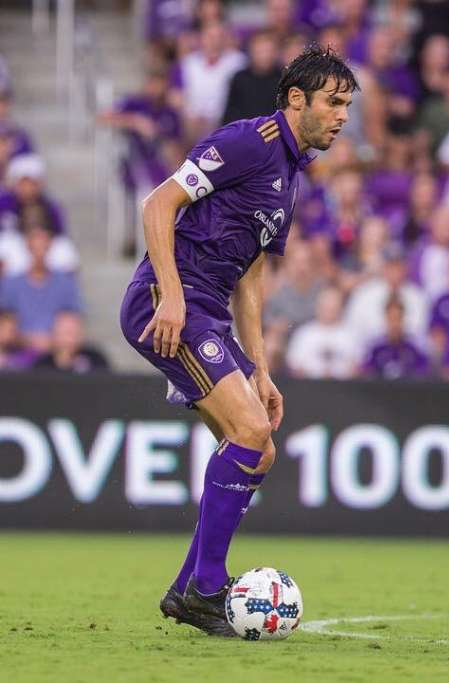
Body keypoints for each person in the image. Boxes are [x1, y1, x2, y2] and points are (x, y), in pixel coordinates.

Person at [118, 45, 358, 637]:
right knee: (249, 434)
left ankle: (186, 589)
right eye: (333, 102)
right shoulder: (249, 142)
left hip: (208, 311)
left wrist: (259, 368)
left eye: (348, 106)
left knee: (259, 446)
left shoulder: (290, 176)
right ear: (296, 99)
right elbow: (158, 203)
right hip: (168, 301)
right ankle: (206, 588)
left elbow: (251, 279)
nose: (342, 116)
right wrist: (171, 294)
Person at [32, 311, 109, 373]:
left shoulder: (96, 360)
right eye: (66, 332)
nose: (70, 339)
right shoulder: (42, 366)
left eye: (74, 332)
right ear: (53, 333)